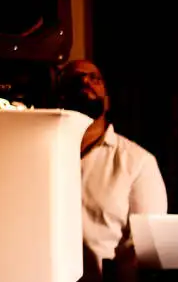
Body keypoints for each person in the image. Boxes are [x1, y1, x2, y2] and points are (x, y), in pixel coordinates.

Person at [63, 59, 166, 267]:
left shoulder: (138, 162)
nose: (85, 81)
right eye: (75, 79)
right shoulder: (40, 156)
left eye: (95, 78)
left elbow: (144, 248)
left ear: (107, 101)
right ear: (60, 97)